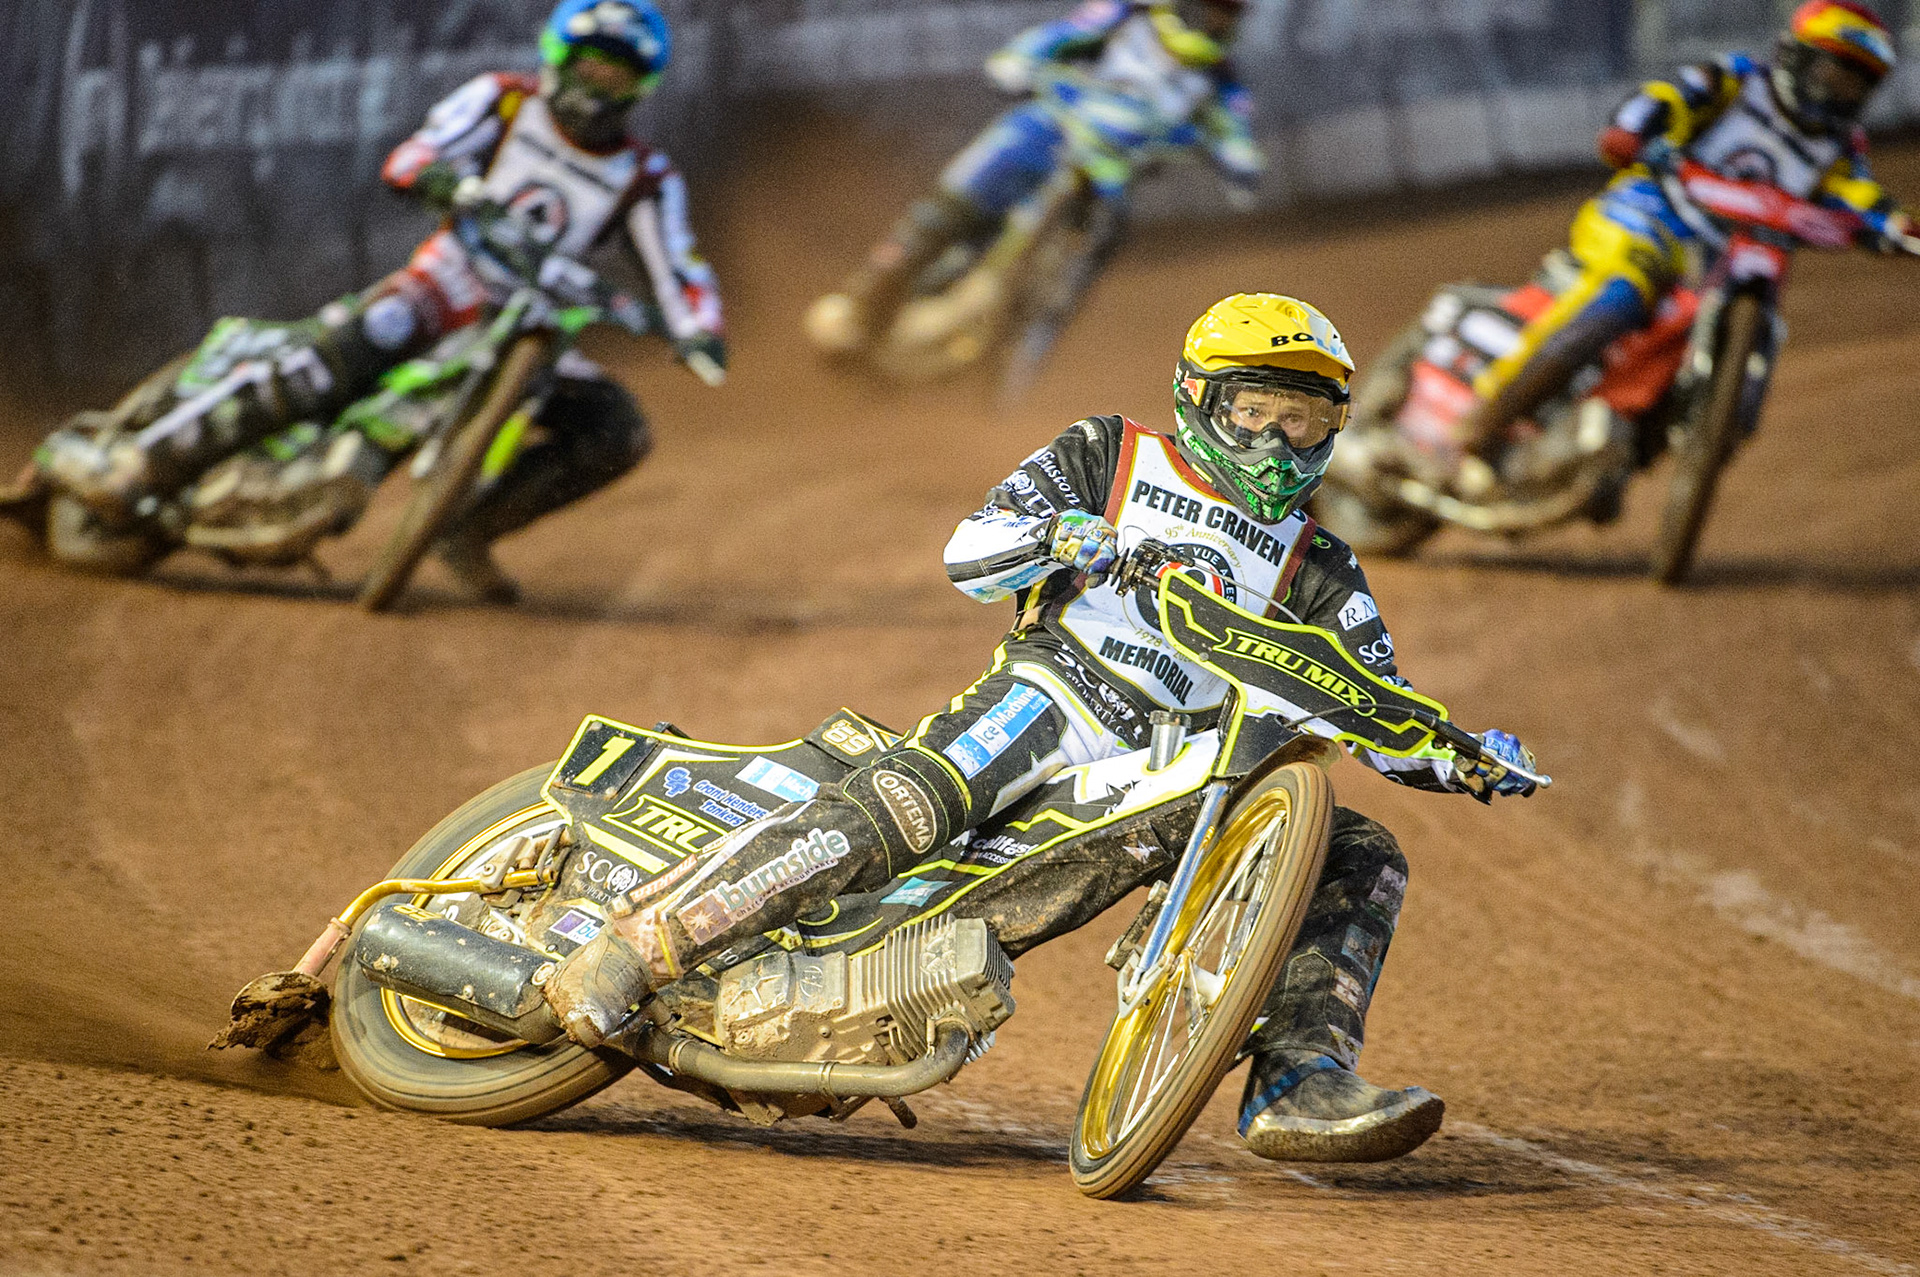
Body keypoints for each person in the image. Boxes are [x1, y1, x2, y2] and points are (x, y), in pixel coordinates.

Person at [548, 294, 1539, 1164]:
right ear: (1200, 399)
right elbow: (969, 551)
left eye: (1303, 419)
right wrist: (1062, 536)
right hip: (1048, 699)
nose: (1278, 444)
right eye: (1255, 414)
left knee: (1359, 847)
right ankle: (634, 951)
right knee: (909, 802)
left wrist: (1465, 753)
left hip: (1174, 771)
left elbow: (1372, 696)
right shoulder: (1109, 452)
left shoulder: (1323, 564)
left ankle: (1300, 1082)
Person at [33, 0, 726, 601]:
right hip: (447, 283)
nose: (599, 84)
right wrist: (441, 180)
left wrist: (699, 330)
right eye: (591, 62)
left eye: (618, 72)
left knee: (618, 426)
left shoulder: (646, 177)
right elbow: (416, 153)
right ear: (559, 55)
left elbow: (680, 265)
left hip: (532, 326)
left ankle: (469, 528)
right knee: (341, 352)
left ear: (642, 85)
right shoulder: (504, 101)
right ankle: (141, 461)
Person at [1451, 0, 1912, 482]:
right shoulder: (1737, 81)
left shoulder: (1841, 147)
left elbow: (1860, 197)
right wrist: (1631, 130)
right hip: (1651, 212)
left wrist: (1896, 226)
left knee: (1747, 330)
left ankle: (1626, 444)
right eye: (1833, 74)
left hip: (1734, 257)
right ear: (1796, 55)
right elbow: (1665, 98)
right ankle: (1485, 416)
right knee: (1628, 289)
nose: (1839, 93)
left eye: (1856, 84)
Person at [803, 0, 1264, 355]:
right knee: (963, 193)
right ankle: (861, 303)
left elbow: (1237, 135)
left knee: (1106, 233)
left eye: (1227, 16)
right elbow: (1062, 35)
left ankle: (1036, 331)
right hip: (1051, 126)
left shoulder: (1223, 81)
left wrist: (1241, 165)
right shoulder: (1125, 18)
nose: (1216, 24)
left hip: (1110, 171)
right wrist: (1021, 58)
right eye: (1211, 10)